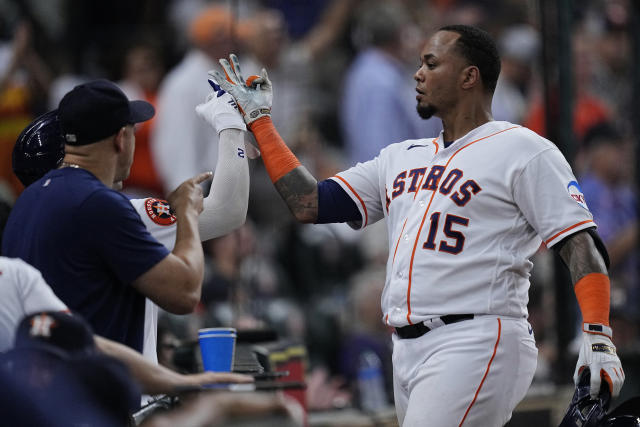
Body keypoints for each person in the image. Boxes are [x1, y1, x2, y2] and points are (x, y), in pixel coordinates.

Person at [211, 24, 624, 426]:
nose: (418, 73)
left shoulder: (524, 149)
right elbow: (310, 203)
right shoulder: (400, 156)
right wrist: (260, 122)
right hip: (406, 347)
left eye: (431, 63)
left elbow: (579, 242)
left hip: (477, 337)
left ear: (469, 76)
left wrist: (597, 333)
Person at [9, 80, 252, 364]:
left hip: (40, 389)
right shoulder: (104, 208)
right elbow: (227, 212)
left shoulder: (24, 205)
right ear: (121, 138)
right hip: (100, 396)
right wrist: (230, 125)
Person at [0, 256, 253, 395]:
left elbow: (85, 343)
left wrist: (182, 381)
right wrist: (186, 211)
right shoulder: (14, 275)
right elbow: (185, 294)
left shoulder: (15, 275)